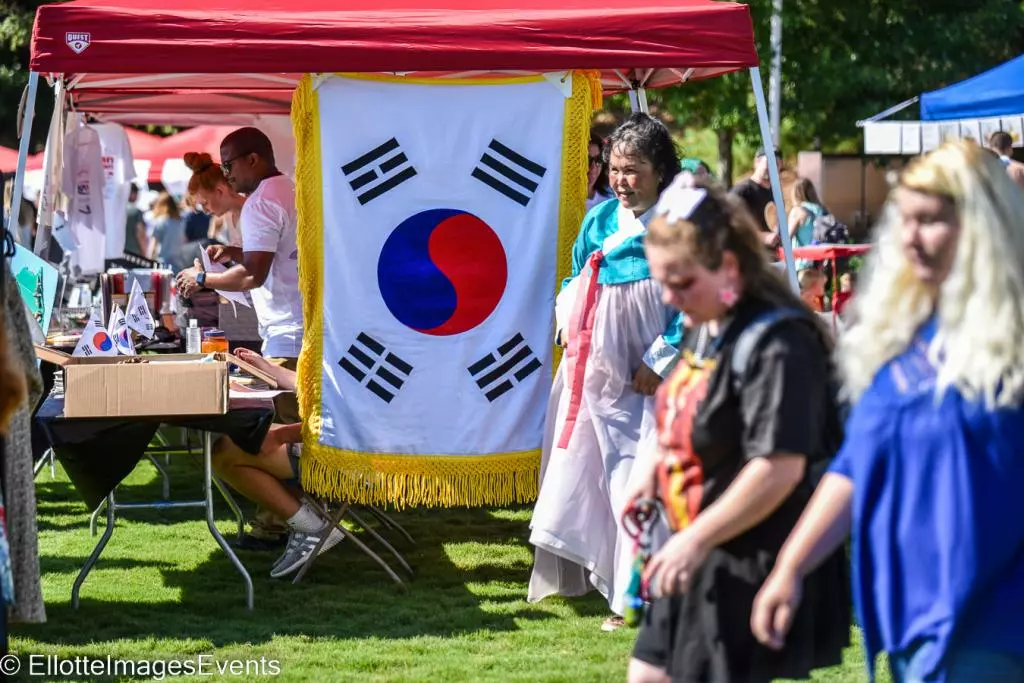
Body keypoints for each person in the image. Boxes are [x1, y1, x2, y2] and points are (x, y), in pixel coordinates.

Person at [752, 140, 1024, 683]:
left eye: (932, 221)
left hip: (995, 626)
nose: (911, 237)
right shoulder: (898, 343)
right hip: (907, 625)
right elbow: (856, 466)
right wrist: (789, 567)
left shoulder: (1013, 345)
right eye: (906, 219)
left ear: (982, 226)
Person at [627, 176, 850, 683]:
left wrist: (695, 540)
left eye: (682, 282)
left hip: (747, 559)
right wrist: (650, 470)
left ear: (728, 266)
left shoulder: (780, 343)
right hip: (695, 548)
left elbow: (779, 466)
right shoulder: (706, 322)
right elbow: (679, 410)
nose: (670, 297)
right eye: (663, 281)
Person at [529, 113, 683, 631]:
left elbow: (699, 300)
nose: (621, 179)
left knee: (638, 480)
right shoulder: (598, 221)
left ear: (660, 170)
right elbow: (574, 275)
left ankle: (639, 592)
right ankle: (621, 583)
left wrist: (661, 360)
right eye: (616, 168)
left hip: (650, 373)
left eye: (633, 169)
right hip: (594, 368)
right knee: (595, 475)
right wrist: (567, 326)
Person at [176, 128, 304, 423]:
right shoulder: (288, 188)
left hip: (287, 334)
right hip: (301, 326)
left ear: (253, 160)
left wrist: (201, 279)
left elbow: (251, 276)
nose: (226, 174)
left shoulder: (260, 203)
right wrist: (235, 253)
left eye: (228, 166)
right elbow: (281, 254)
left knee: (290, 435)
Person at [213, 349, 344, 577]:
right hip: (347, 451)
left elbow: (350, 419)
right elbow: (318, 388)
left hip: (353, 462)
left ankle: (311, 526)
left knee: (227, 452)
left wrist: (282, 436)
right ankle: (307, 522)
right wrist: (268, 367)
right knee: (237, 442)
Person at [731, 147, 782, 248]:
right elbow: (730, 224)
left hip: (771, 256)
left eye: (776, 163)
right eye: (768, 162)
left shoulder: (775, 193)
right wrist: (762, 237)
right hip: (748, 257)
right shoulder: (742, 190)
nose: (772, 167)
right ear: (756, 162)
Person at [788, 178, 827, 269]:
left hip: (802, 263)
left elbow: (788, 237)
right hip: (819, 263)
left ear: (795, 193)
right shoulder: (821, 210)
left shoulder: (798, 211)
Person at [148, 192, 187, 272]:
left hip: (163, 264)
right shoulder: (182, 221)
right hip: (179, 264)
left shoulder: (160, 222)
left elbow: (153, 246)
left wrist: (149, 263)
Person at [586, 133, 614, 212]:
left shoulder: (613, 193)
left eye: (598, 160)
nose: (593, 168)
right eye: (587, 160)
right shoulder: (560, 202)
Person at [123, 184, 148, 257]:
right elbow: (140, 233)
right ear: (132, 194)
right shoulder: (136, 211)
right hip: (133, 254)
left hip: (116, 253)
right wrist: (144, 253)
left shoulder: (114, 210)